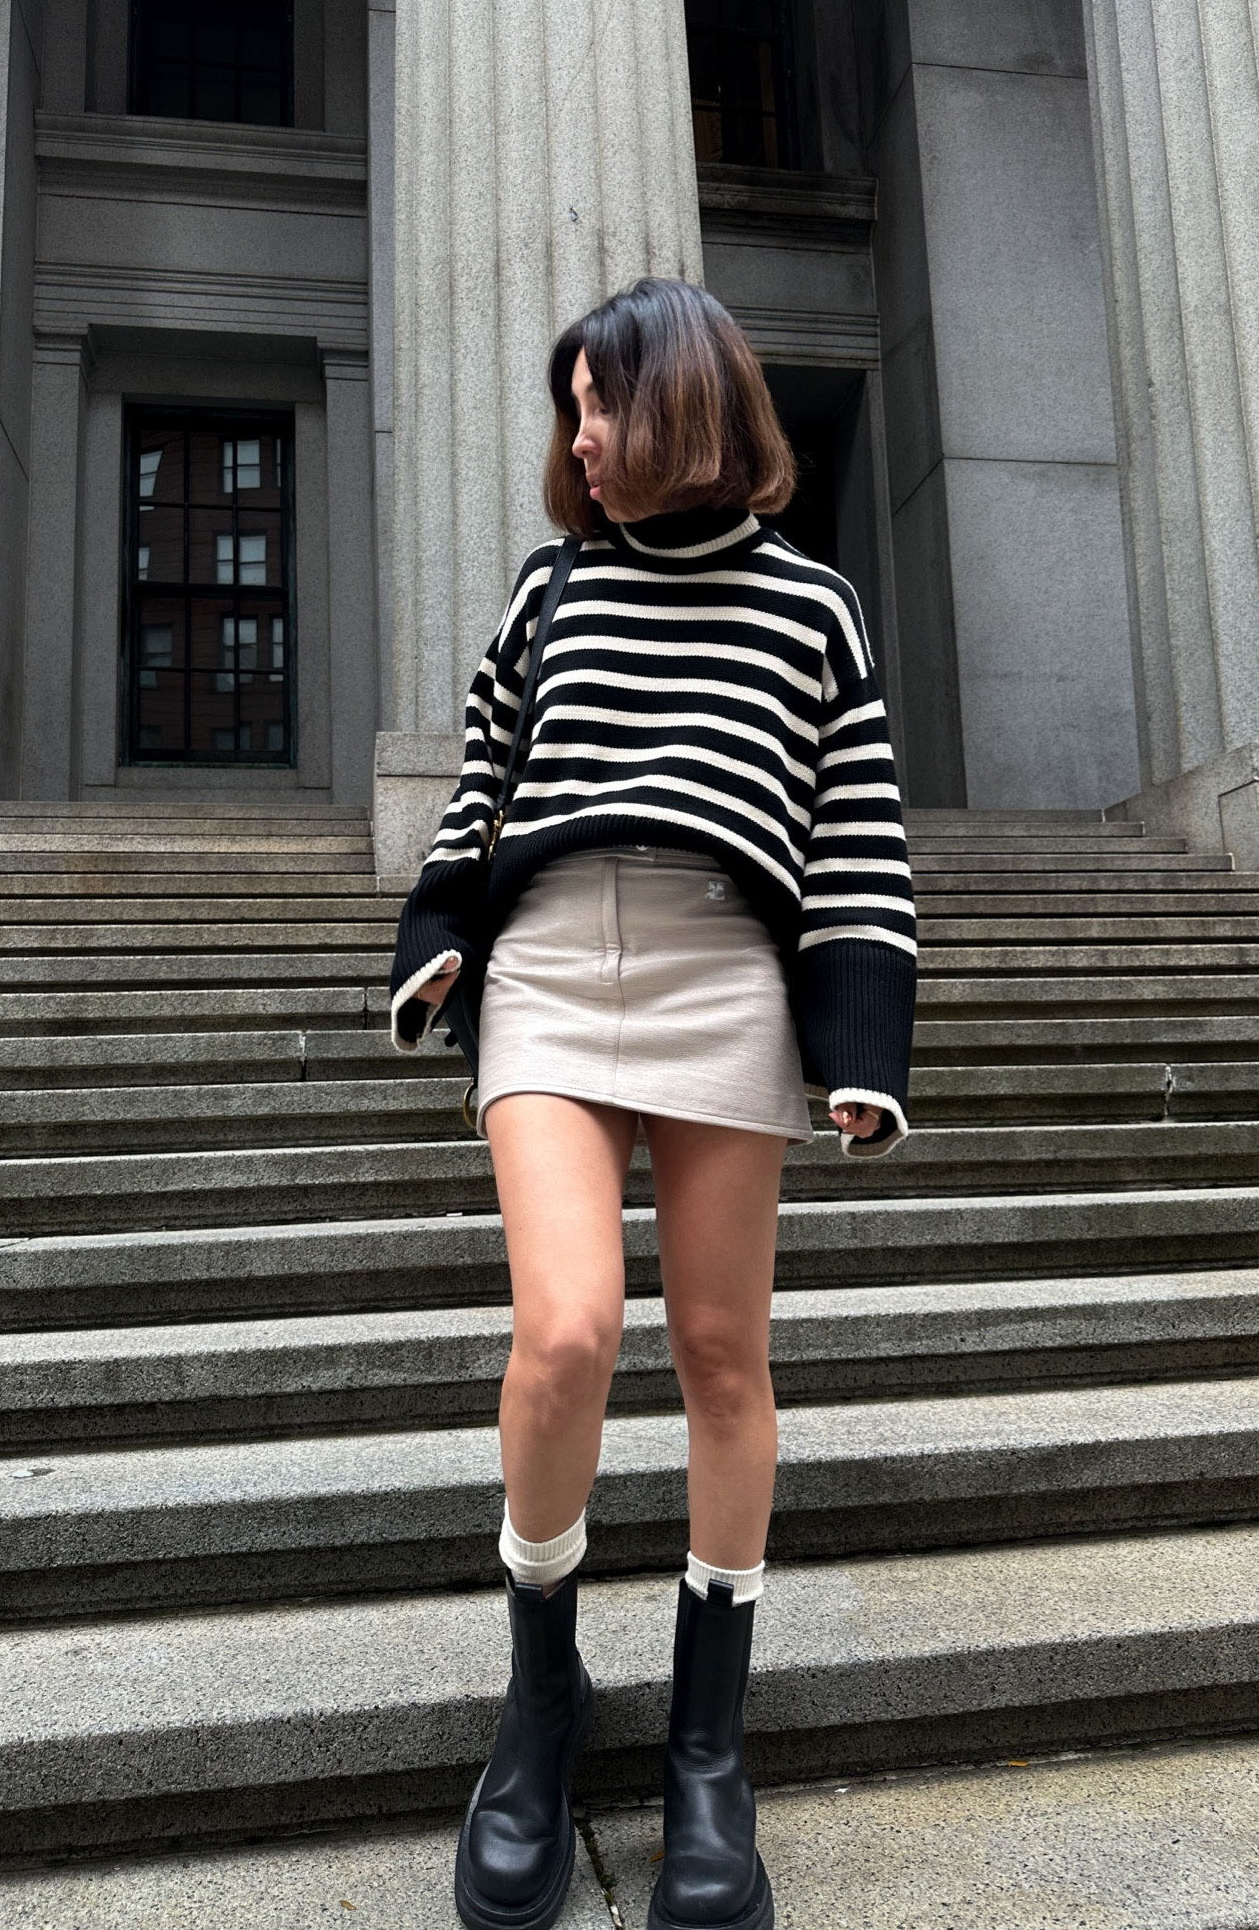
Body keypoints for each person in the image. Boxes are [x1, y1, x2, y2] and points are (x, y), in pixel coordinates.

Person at [389, 276, 915, 1930]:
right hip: (546, 971)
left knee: (717, 1354)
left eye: (601, 402)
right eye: (569, 410)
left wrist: (861, 1047)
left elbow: (853, 843)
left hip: (722, 983)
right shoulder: (545, 596)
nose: (581, 437)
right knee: (565, 1331)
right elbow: (483, 787)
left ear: (686, 402)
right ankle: (539, 1704)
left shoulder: (812, 610)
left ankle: (706, 1748)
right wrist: (434, 942)